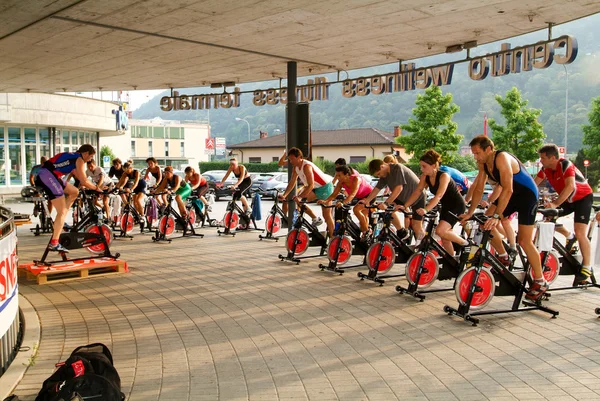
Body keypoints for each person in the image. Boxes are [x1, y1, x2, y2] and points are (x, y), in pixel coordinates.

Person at [461, 135, 546, 301]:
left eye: (478, 153)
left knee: (524, 241)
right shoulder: (483, 163)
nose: (475, 157)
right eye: (474, 154)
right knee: (483, 224)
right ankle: (503, 256)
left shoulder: (502, 158)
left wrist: (496, 215)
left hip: (527, 196)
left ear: (488, 149)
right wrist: (470, 212)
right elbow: (478, 189)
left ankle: (540, 281)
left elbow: (508, 189)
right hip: (511, 196)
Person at [535, 144, 594, 284]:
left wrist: (555, 204)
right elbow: (533, 184)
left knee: (580, 232)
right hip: (567, 198)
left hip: (582, 198)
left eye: (543, 158)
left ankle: (587, 266)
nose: (540, 161)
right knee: (548, 218)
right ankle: (569, 236)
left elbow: (570, 186)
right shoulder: (546, 169)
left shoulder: (565, 164)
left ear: (553, 158)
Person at [34, 145, 100, 252]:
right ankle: (54, 243)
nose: (91, 159)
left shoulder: (74, 157)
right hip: (47, 175)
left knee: (74, 191)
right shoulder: (80, 160)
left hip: (51, 175)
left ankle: (62, 217)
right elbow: (83, 181)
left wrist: (87, 185)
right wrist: (97, 188)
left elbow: (79, 176)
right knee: (61, 211)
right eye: (91, 156)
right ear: (86, 153)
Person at [401, 150, 467, 256]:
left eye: (424, 166)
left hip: (457, 205)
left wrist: (426, 209)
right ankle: (452, 261)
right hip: (446, 206)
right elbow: (417, 192)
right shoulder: (425, 177)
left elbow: (439, 195)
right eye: (421, 166)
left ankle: (466, 245)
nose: (422, 169)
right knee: (444, 237)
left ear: (434, 165)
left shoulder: (444, 176)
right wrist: (405, 206)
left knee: (441, 231)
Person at [360, 158, 426, 240]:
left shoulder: (397, 168)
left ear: (382, 166)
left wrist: (386, 203)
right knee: (388, 211)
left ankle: (423, 246)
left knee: (416, 226)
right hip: (402, 198)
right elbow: (377, 188)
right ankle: (402, 232)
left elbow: (399, 188)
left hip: (418, 197)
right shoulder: (384, 174)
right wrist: (367, 200)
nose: (379, 176)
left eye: (379, 174)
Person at [280, 148, 334, 235]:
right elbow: (292, 182)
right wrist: (284, 195)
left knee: (327, 216)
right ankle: (315, 219)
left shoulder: (306, 167)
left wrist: (300, 196)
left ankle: (332, 237)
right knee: (299, 202)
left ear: (299, 157)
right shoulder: (295, 168)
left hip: (325, 188)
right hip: (315, 188)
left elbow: (311, 185)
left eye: (292, 159)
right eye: (289, 159)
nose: (290, 161)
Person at [318, 165, 373, 240]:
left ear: (347, 175)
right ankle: (365, 232)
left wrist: (343, 203)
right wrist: (326, 201)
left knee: (356, 210)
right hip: (360, 197)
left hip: (369, 195)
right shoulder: (341, 182)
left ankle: (366, 232)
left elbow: (352, 194)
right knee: (362, 217)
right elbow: (334, 194)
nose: (338, 178)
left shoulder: (356, 179)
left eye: (339, 175)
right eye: (337, 175)